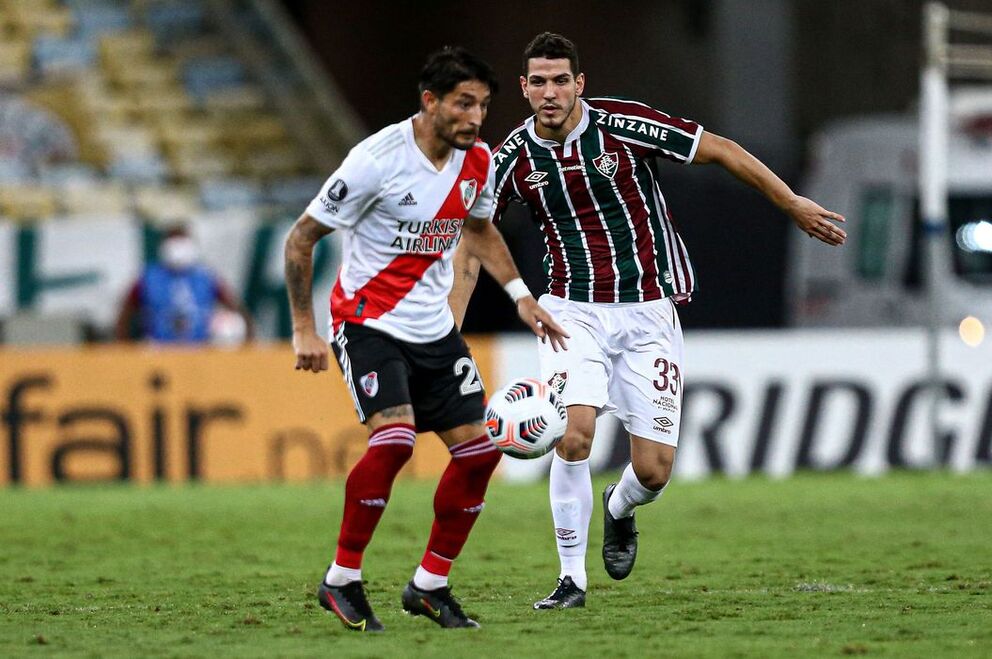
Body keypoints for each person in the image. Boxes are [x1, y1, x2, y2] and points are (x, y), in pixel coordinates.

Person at [450, 32, 846, 610]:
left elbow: (722, 150)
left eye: (561, 80)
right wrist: (448, 331)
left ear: (579, 84)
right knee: (574, 431)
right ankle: (570, 581)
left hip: (647, 313)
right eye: (539, 81)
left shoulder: (623, 125)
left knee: (655, 471)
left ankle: (619, 507)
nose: (550, 92)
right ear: (524, 88)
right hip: (569, 312)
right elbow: (473, 238)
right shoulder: (509, 158)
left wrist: (791, 203)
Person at [284, 47, 568, 632]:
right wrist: (303, 328)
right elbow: (300, 239)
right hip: (367, 322)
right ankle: (341, 580)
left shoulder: (479, 161)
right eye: (464, 103)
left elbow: (479, 229)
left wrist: (520, 294)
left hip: (433, 330)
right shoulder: (375, 161)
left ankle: (429, 585)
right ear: (430, 101)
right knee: (394, 443)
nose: (475, 117)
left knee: (480, 453)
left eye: (484, 106)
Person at [115, 224, 255, 344]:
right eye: (174, 241)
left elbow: (235, 307)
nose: (178, 248)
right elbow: (125, 312)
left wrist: (248, 342)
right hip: (158, 348)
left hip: (199, 349)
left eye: (182, 240)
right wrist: (125, 347)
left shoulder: (206, 276)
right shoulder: (148, 277)